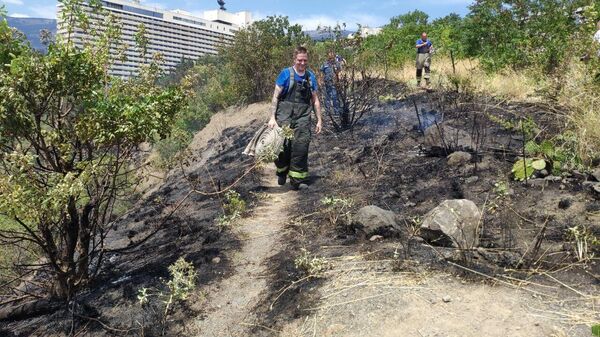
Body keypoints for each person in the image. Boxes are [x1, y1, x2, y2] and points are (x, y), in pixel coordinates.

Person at [268, 46, 323, 190]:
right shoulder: (285, 74)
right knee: (282, 146)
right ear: (294, 59)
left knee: (301, 146)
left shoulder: (310, 77)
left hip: (303, 117)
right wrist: (272, 118)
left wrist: (319, 120)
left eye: (305, 60)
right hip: (284, 115)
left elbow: (315, 100)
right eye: (300, 60)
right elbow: (275, 97)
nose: (302, 63)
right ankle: (282, 171)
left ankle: (297, 180)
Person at [320, 51, 345, 116]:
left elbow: (340, 70)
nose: (331, 57)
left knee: (335, 96)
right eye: (329, 56)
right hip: (326, 82)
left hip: (334, 83)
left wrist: (336, 72)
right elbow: (321, 72)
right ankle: (327, 112)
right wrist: (321, 81)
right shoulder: (324, 64)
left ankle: (336, 111)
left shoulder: (336, 63)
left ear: (334, 56)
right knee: (327, 97)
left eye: (332, 56)